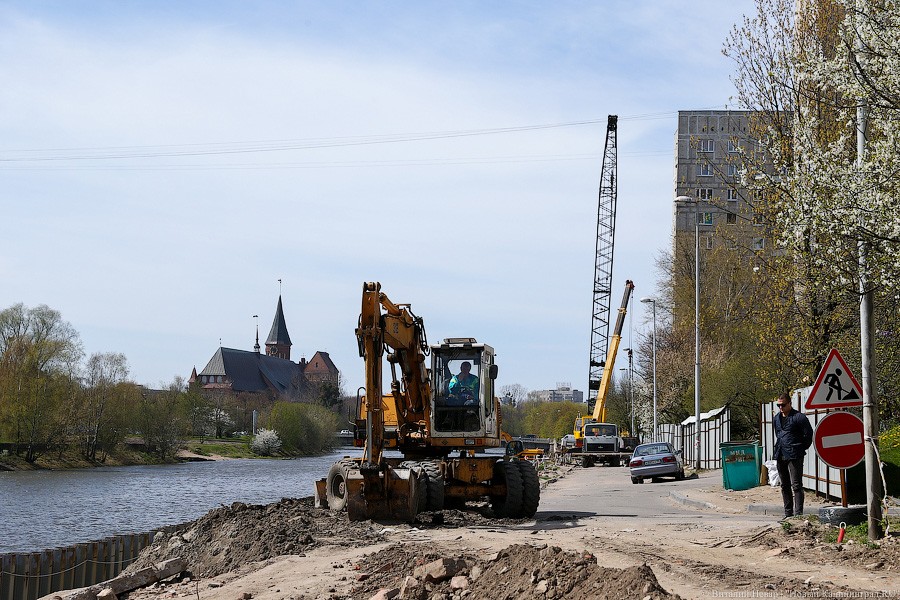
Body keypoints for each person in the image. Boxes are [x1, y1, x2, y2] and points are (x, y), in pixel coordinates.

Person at [773, 392, 813, 519]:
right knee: (784, 485)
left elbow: (808, 435)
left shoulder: (799, 417)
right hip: (780, 454)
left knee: (796, 485)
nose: (781, 408)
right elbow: (778, 434)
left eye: (783, 405)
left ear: (789, 403)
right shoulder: (776, 419)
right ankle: (788, 514)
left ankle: (798, 515)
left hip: (795, 455)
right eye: (778, 405)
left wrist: (800, 448)